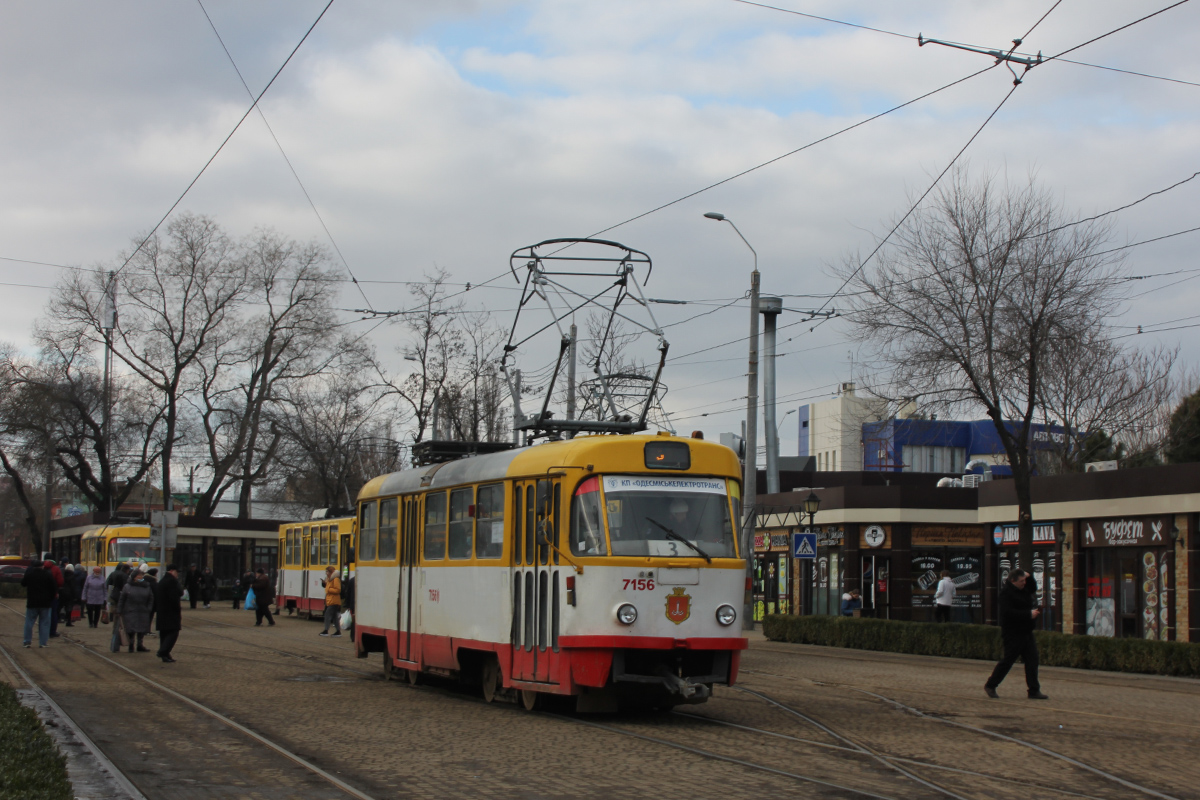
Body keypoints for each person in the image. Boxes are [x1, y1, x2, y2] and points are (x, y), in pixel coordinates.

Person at [985, 569, 1048, 700]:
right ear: (1013, 581)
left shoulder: (1024, 589)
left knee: (1032, 660)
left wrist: (1028, 577)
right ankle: (991, 685)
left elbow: (1032, 587)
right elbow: (1007, 613)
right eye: (1021, 581)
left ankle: (1034, 690)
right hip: (1012, 632)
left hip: (1026, 631)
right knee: (1008, 660)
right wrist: (1028, 614)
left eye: (1024, 580)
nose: (1023, 583)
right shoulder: (1005, 594)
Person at [21, 562, 57, 648]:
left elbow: (23, 583)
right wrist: (51, 598)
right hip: (45, 603)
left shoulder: (30, 574)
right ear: (42, 566)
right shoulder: (47, 574)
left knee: (29, 622)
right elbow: (54, 587)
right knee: (44, 623)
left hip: (32, 602)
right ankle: (43, 642)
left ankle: (27, 641)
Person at [117, 571, 155, 652]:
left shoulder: (146, 586)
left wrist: (149, 608)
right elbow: (122, 599)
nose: (141, 577)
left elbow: (151, 598)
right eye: (139, 576)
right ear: (134, 577)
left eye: (141, 576)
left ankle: (140, 645)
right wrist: (119, 610)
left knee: (142, 629)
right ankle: (131, 645)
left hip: (143, 611)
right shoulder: (127, 586)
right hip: (130, 611)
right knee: (131, 629)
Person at [155, 564, 184, 663]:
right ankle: (163, 651)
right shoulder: (172, 581)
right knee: (173, 632)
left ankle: (166, 655)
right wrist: (177, 608)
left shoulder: (162, 580)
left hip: (162, 612)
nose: (177, 575)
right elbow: (177, 595)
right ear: (172, 571)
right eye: (176, 572)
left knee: (164, 633)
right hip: (170, 612)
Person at [319, 565, 342, 637]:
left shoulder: (335, 579)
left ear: (331, 572)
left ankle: (326, 630)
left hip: (334, 601)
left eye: (327, 571)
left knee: (327, 615)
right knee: (335, 617)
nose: (326, 573)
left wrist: (328, 589)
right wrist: (325, 584)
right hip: (331, 601)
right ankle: (338, 631)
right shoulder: (329, 579)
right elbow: (328, 587)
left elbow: (338, 589)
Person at [45, 560, 64, 637]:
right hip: (53, 594)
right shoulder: (56, 569)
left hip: (43, 595)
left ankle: (44, 632)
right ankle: (52, 631)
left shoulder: (42, 568)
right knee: (53, 613)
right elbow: (60, 582)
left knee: (44, 614)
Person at [143, 567, 159, 635]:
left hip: (144, 602)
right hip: (152, 602)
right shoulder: (153, 582)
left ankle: (144, 630)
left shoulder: (144, 581)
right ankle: (147, 630)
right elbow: (156, 593)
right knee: (150, 616)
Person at [342, 570, 356, 642]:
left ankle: (353, 636)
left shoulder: (352, 580)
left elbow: (348, 594)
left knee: (354, 621)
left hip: (353, 605)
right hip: (358, 605)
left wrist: (347, 604)